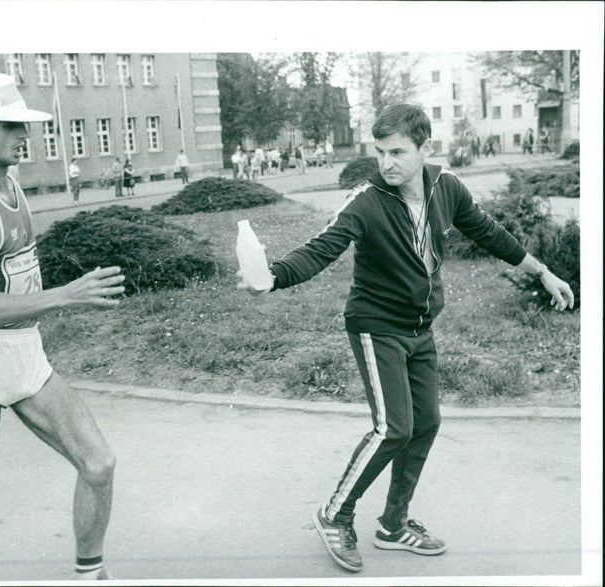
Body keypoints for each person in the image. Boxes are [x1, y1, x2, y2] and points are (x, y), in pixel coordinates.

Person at [238, 104, 573, 574]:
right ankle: (335, 514)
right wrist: (271, 277)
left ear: (425, 149)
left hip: (421, 330)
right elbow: (322, 248)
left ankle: (393, 526)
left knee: (427, 423)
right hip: (377, 327)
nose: (387, 162)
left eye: (398, 152)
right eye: (380, 152)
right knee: (393, 427)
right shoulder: (366, 201)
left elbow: (489, 233)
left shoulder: (446, 186)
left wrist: (543, 273)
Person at [0, 71, 126, 582]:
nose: (26, 134)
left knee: (98, 464)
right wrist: (67, 295)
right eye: (11, 124)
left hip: (25, 349)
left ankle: (90, 574)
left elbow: (14, 277)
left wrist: (55, 295)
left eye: (25, 124)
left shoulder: (11, 183)